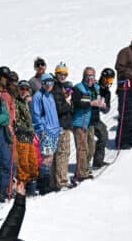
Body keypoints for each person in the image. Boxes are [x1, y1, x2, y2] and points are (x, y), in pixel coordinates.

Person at [71, 67, 104, 179]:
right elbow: (76, 103)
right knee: (82, 148)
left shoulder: (96, 88)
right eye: (88, 76)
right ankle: (81, 173)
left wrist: (102, 104)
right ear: (83, 77)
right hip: (79, 122)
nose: (90, 79)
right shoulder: (78, 88)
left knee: (91, 148)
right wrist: (91, 103)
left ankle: (85, 167)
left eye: (92, 76)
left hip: (90, 122)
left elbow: (100, 98)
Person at [30, 72, 60, 194]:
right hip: (45, 132)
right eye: (46, 83)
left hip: (54, 131)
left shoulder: (50, 96)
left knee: (50, 158)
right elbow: (36, 115)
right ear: (42, 83)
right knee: (46, 158)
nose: (49, 85)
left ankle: (47, 183)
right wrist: (41, 129)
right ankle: (43, 186)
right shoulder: (38, 96)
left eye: (51, 82)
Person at [114, 34, 132, 149]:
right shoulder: (125, 52)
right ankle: (122, 141)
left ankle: (131, 139)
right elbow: (119, 67)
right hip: (126, 89)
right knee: (126, 115)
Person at [13, 80, 38, 194]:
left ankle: (30, 187)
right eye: (22, 89)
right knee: (23, 164)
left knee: (33, 162)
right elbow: (17, 120)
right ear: (18, 90)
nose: (24, 91)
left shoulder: (28, 102)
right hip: (21, 136)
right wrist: (26, 129)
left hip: (29, 137)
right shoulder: (16, 102)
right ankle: (21, 187)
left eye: (26, 89)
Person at [51, 62, 72, 190]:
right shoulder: (57, 89)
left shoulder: (60, 87)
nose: (63, 76)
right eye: (60, 74)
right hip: (61, 124)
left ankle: (54, 181)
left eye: (65, 74)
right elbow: (59, 108)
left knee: (58, 153)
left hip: (61, 123)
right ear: (56, 73)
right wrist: (68, 103)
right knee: (62, 152)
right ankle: (62, 181)